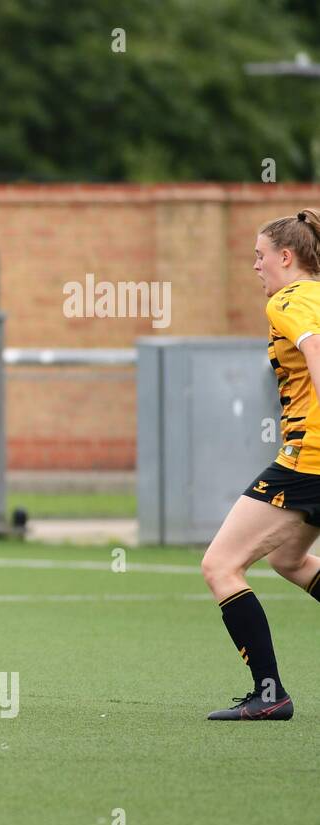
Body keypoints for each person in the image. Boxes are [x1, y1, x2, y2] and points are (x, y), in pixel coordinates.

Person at [201, 209, 320, 720]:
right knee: (290, 560)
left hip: (307, 461)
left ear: (286, 257)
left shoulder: (289, 301)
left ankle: (269, 695)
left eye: (260, 255)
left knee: (220, 565)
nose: (255, 266)